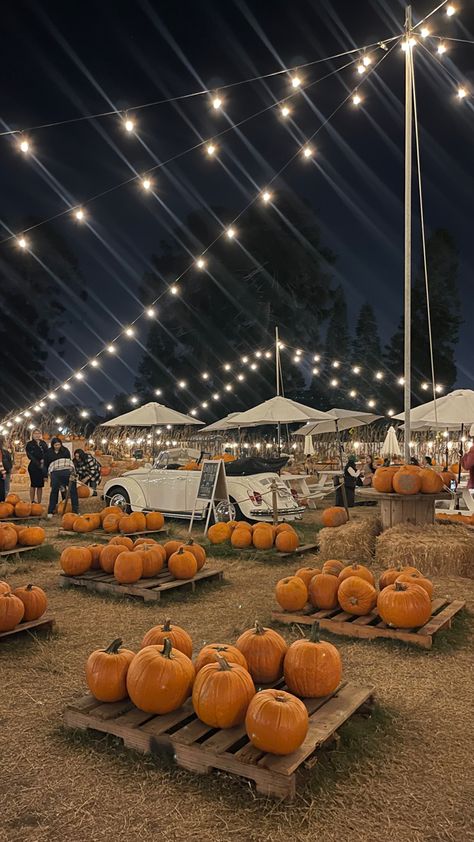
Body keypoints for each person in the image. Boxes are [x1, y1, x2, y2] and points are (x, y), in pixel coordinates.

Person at [46, 437, 79, 518]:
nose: (57, 446)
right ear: (52, 445)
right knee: (54, 490)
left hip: (66, 471)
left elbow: (69, 461)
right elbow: (47, 464)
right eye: (56, 445)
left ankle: (75, 510)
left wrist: (71, 471)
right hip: (55, 472)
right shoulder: (48, 452)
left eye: (59, 444)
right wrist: (47, 475)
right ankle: (51, 510)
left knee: (73, 490)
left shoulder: (65, 450)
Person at [26, 429, 48, 504]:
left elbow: (46, 453)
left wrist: (43, 461)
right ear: (32, 435)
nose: (37, 435)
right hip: (33, 466)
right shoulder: (29, 444)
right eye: (35, 433)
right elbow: (30, 455)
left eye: (38, 433)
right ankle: (32, 500)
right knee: (33, 484)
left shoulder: (43, 443)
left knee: (40, 485)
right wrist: (38, 463)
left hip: (42, 466)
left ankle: (39, 502)